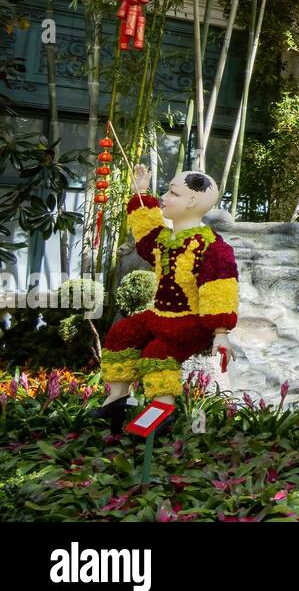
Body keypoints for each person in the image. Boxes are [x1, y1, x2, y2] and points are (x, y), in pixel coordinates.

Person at [89, 165, 238, 432]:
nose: (165, 198)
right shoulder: (165, 240)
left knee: (158, 353)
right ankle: (117, 397)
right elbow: (146, 234)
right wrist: (141, 191)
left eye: (173, 193)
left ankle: (162, 407)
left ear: (192, 201)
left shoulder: (212, 246)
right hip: (159, 315)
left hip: (191, 321)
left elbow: (220, 290)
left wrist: (221, 331)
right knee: (123, 332)